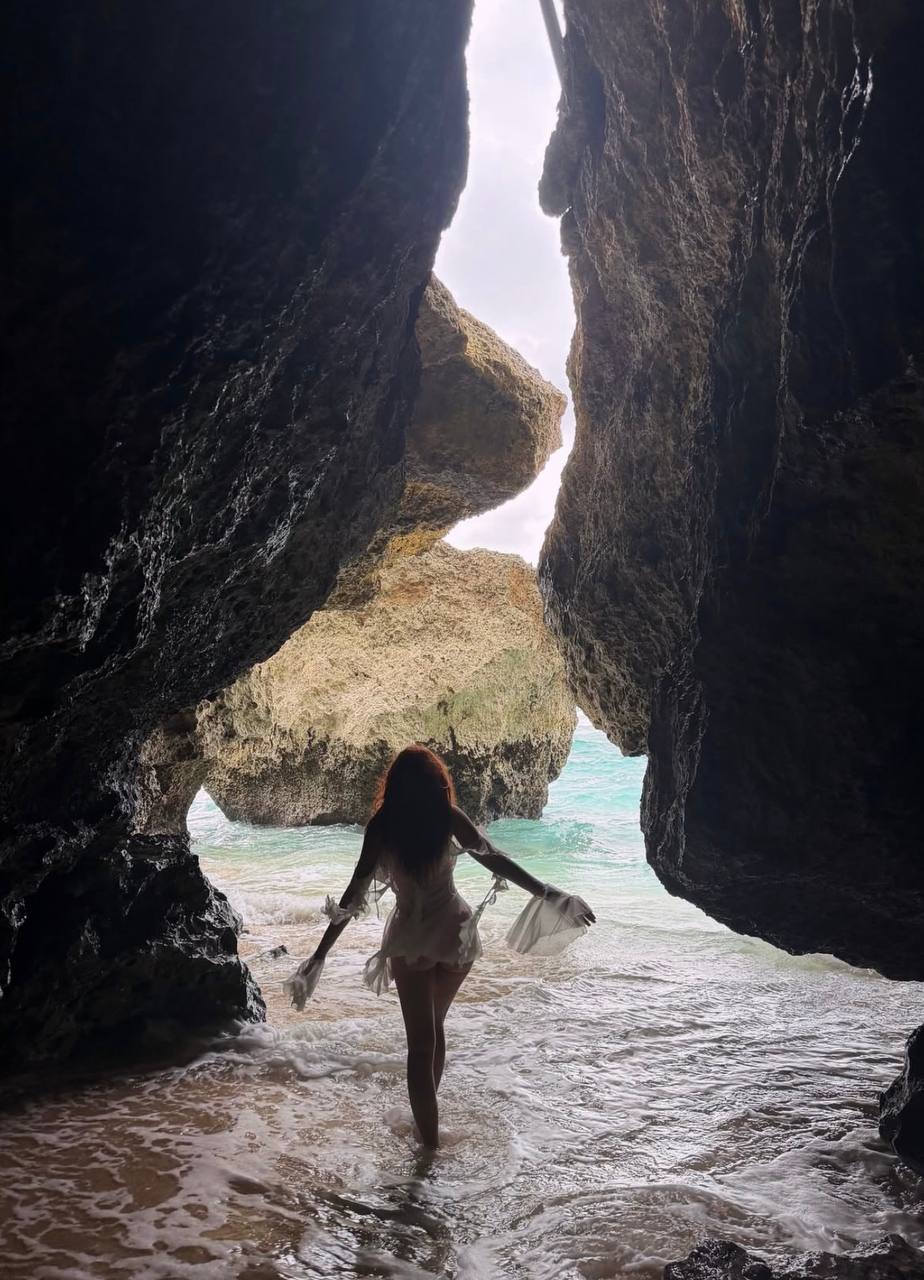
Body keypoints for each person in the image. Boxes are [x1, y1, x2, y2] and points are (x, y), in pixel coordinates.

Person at [284, 744, 595, 1149]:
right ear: (437, 782)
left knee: (420, 1045)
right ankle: (427, 1128)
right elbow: (495, 859)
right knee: (434, 1028)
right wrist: (549, 893)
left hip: (411, 939)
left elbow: (353, 894)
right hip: (454, 933)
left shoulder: (383, 825)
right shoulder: (447, 817)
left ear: (394, 786)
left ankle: (428, 1145)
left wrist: (321, 952)